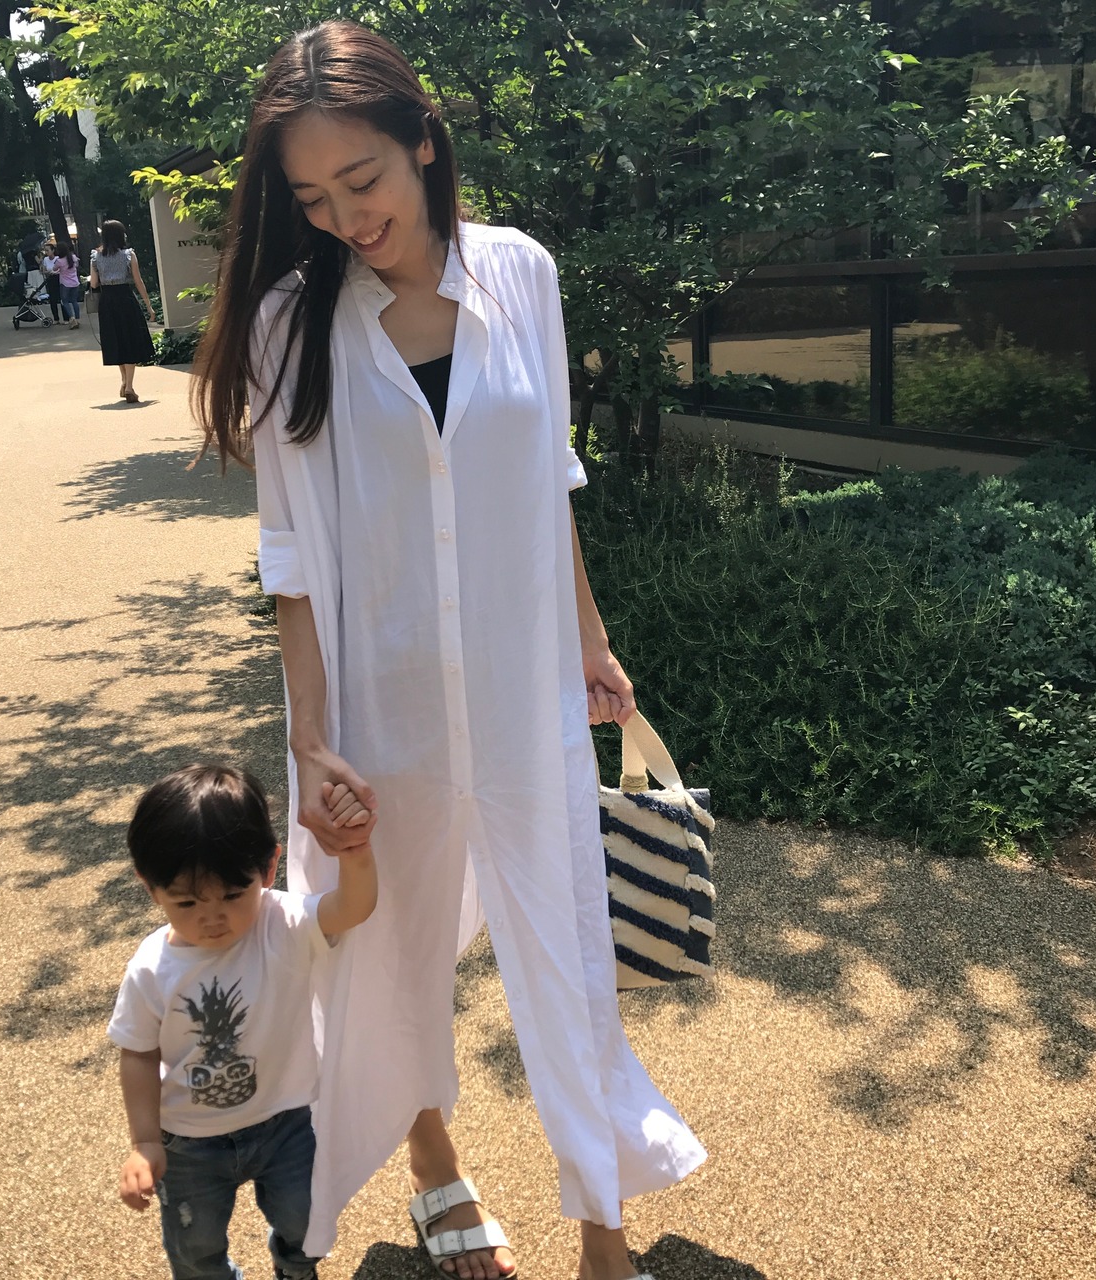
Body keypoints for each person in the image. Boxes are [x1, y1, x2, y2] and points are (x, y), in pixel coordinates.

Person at [192, 21, 706, 1280]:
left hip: (526, 695)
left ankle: (603, 1231)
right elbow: (289, 552)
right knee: (388, 946)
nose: (342, 217)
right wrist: (311, 737)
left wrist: (589, 640)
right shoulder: (289, 323)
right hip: (382, 709)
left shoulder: (520, 273)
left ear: (422, 141)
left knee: (566, 950)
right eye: (312, 198)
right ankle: (433, 1163)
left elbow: (549, 477)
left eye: (359, 179)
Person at [110, 763, 378, 1280]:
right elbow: (138, 1053)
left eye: (233, 895)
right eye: (186, 902)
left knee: (307, 1220)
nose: (213, 917)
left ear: (268, 868)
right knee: (195, 1244)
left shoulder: (282, 922)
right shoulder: (152, 969)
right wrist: (144, 1141)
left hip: (286, 1121)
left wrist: (356, 852)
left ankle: (295, 1267)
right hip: (188, 1141)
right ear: (149, 887)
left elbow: (353, 908)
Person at [89, 219, 157, 402]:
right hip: (125, 298)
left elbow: (94, 283)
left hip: (107, 300)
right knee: (130, 339)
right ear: (120, 235)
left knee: (116, 339)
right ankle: (129, 386)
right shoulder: (128, 254)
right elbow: (138, 281)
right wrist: (148, 306)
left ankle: (124, 381)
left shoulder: (95, 257)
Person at [51, 238, 83, 328]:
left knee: (64, 301)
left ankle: (72, 318)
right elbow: (76, 265)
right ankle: (78, 319)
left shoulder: (59, 261)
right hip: (75, 282)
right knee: (74, 301)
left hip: (65, 283)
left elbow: (54, 269)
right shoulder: (73, 257)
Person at [40, 239, 63, 325]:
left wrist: (54, 271)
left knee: (62, 298)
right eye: (45, 251)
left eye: (48, 250)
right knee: (52, 300)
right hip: (50, 279)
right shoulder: (45, 259)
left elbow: (61, 269)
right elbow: (44, 271)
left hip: (58, 278)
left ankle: (66, 318)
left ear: (53, 250)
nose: (46, 252)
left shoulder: (57, 258)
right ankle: (56, 318)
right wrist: (47, 271)